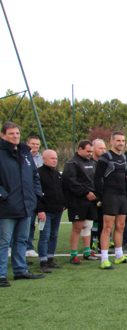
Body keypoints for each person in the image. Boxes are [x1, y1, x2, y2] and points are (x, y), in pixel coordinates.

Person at [0, 122, 44, 287]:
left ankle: (20, 271)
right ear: (3, 135)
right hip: (6, 206)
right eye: (12, 134)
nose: (15, 136)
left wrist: (35, 195)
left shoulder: (25, 153)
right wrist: (4, 196)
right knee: (4, 241)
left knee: (21, 240)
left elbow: (34, 176)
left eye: (17, 133)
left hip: (26, 205)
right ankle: (1, 275)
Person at [94, 131, 127, 268]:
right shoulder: (105, 157)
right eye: (118, 140)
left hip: (121, 195)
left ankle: (119, 256)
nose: (120, 143)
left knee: (120, 226)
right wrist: (101, 197)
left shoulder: (124, 158)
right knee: (107, 227)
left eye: (123, 141)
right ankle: (104, 259)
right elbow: (97, 178)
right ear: (111, 141)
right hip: (109, 195)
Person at [63, 140, 99, 264]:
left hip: (91, 201)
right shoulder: (72, 163)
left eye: (91, 151)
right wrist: (85, 193)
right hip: (77, 200)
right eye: (88, 151)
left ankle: (87, 252)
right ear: (80, 149)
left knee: (88, 226)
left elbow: (95, 180)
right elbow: (71, 182)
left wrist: (97, 196)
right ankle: (73, 255)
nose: (90, 154)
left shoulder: (92, 162)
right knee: (77, 228)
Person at [36, 150, 65, 274]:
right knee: (44, 236)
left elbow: (62, 189)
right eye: (52, 158)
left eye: (56, 158)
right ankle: (43, 262)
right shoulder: (38, 173)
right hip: (45, 211)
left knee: (54, 235)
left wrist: (64, 204)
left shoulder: (57, 174)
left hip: (57, 210)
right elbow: (36, 194)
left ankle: (50, 258)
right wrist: (40, 209)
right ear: (44, 159)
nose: (54, 160)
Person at [24, 135, 43, 258]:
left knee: (31, 223)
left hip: (36, 193)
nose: (35, 146)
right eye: (33, 144)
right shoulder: (22, 155)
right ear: (27, 143)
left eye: (37, 144)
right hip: (24, 193)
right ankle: (11, 246)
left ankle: (29, 247)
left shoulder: (40, 157)